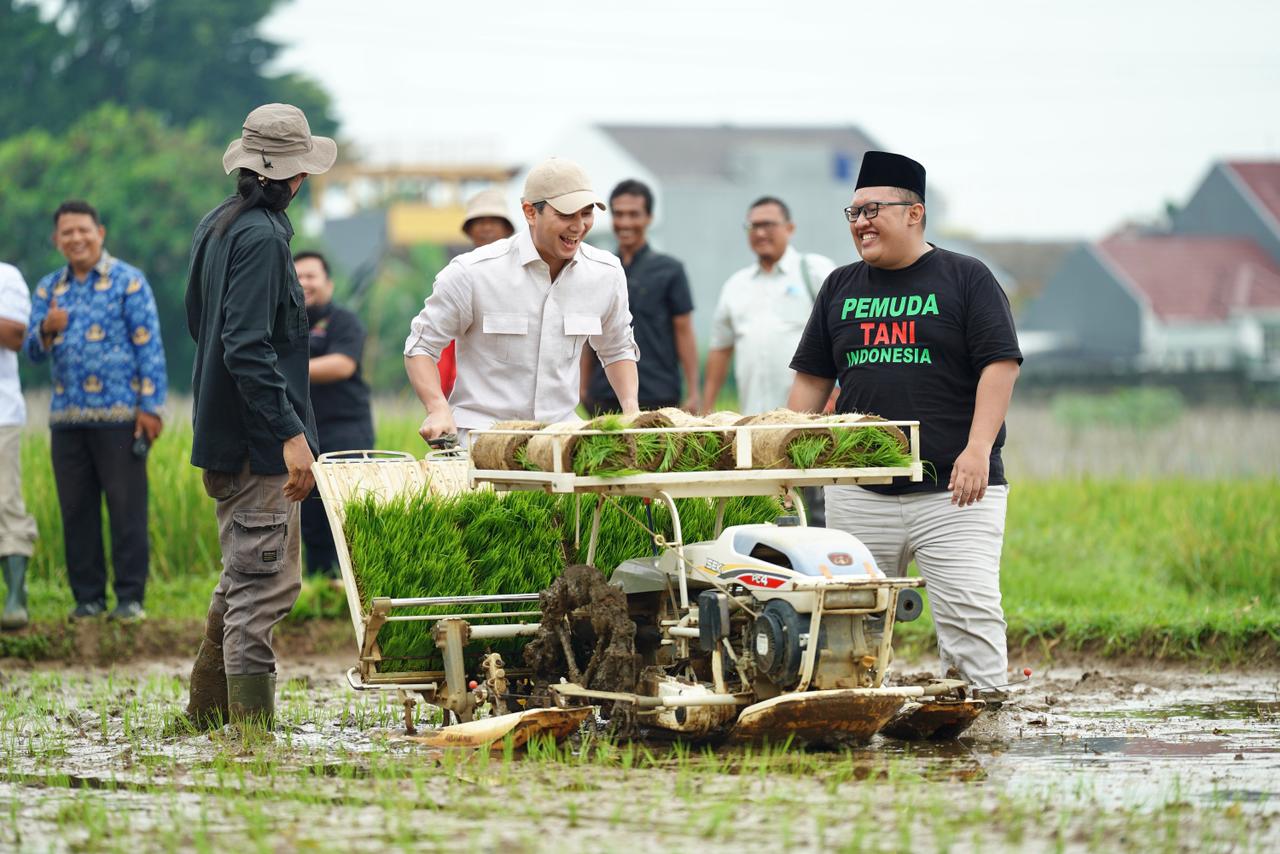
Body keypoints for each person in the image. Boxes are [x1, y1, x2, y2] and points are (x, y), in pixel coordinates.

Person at [786, 151, 1023, 691]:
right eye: (852, 214)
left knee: (969, 617)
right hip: (858, 489)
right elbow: (811, 384)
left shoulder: (966, 278)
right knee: (849, 620)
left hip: (953, 488)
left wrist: (978, 448)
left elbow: (1000, 365)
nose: (861, 223)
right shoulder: (840, 287)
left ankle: (983, 721)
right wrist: (780, 457)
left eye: (872, 210)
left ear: (914, 213)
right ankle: (850, 718)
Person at [182, 103, 336, 731]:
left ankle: (205, 715)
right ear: (295, 177)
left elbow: (201, 324)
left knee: (244, 576)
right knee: (263, 588)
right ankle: (250, 736)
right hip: (255, 446)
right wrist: (291, 436)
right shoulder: (266, 236)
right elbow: (245, 347)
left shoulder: (218, 224)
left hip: (225, 433)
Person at [405, 157, 639, 443]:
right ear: (530, 212)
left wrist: (631, 411)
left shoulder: (606, 273)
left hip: (561, 442)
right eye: (566, 215)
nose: (578, 226)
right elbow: (421, 346)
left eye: (586, 213)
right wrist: (438, 408)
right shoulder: (472, 273)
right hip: (482, 441)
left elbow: (617, 349)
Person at [23, 201, 167, 622]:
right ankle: (87, 598)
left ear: (99, 233)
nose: (76, 239)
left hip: (121, 416)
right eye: (67, 233)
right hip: (66, 418)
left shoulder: (129, 281)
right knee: (76, 510)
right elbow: (31, 352)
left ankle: (129, 599)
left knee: (126, 509)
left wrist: (151, 408)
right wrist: (46, 329)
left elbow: (150, 348)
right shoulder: (49, 289)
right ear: (56, 241)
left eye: (83, 230)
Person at [700, 196, 835, 416]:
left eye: (768, 225)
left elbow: (842, 332)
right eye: (753, 226)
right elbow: (721, 348)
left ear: (789, 228)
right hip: (753, 417)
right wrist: (706, 407)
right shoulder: (736, 285)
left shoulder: (814, 271)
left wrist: (837, 388)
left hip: (808, 418)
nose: (760, 233)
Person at [580, 179, 699, 414]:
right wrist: (583, 387)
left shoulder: (670, 270)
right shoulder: (598, 269)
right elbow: (587, 332)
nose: (625, 222)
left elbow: (683, 331)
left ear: (649, 218)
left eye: (634, 214)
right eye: (619, 214)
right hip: (605, 394)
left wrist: (694, 390)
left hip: (658, 392)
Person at [295, 250, 374, 578]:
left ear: (328, 282)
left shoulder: (344, 321)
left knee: (346, 511)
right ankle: (319, 588)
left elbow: (343, 364)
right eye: (296, 277)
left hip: (345, 430)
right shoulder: (285, 325)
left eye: (310, 276)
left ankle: (356, 586)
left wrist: (286, 371)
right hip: (302, 433)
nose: (303, 283)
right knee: (309, 513)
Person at [436, 189, 519, 399]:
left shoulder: (524, 275)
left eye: (494, 221)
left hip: (515, 389)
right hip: (467, 394)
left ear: (507, 229)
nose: (487, 227)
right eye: (480, 221)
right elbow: (445, 342)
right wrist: (439, 398)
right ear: (470, 230)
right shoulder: (458, 277)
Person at [0, 262, 38, 630]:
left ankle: (15, 595)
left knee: (5, 500)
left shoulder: (6, 276)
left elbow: (14, 335)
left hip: (1, 412)